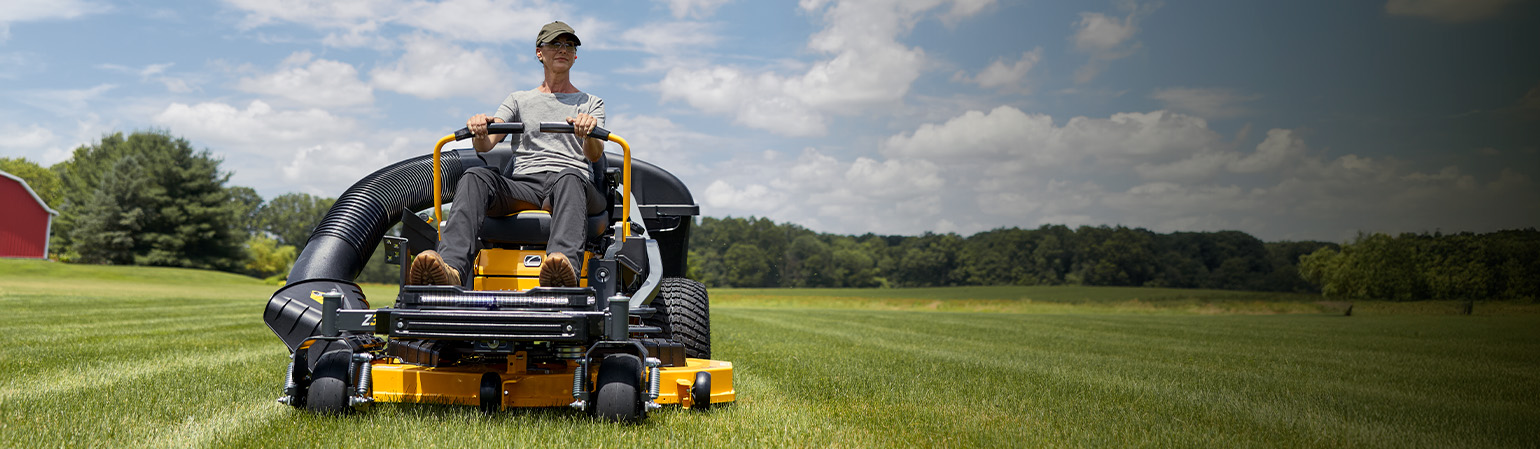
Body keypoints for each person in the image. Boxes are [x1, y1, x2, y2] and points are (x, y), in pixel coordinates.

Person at [409, 21, 607, 288]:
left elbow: (594, 156)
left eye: (569, 45)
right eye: (555, 44)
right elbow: (486, 145)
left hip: (573, 184)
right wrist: (480, 129)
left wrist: (588, 133)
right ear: (540, 53)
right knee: (475, 176)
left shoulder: (591, 103)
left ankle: (562, 271)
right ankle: (451, 270)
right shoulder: (518, 100)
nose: (563, 50)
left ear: (575, 55)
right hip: (526, 185)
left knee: (569, 177)